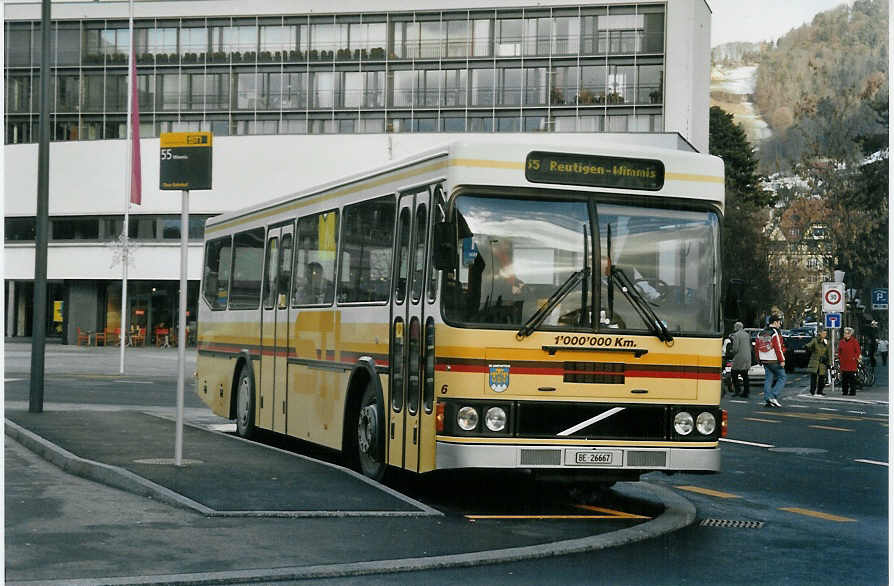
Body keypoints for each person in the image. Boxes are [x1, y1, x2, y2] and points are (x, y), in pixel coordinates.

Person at [755, 314, 786, 408]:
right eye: (779, 322)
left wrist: (758, 359)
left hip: (764, 360)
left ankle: (767, 398)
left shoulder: (761, 333)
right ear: (775, 322)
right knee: (782, 377)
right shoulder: (774, 333)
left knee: (768, 379)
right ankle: (773, 395)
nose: (780, 324)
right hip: (774, 360)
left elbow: (756, 348)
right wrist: (782, 360)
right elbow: (778, 348)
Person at [728, 321, 752, 398]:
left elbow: (735, 348)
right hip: (747, 357)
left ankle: (737, 390)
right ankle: (746, 391)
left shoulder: (736, 335)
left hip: (739, 357)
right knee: (745, 375)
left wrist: (731, 351)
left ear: (736, 327)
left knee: (734, 373)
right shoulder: (747, 335)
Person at [837, 326, 862, 396]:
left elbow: (858, 351)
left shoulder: (854, 341)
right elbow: (839, 351)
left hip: (852, 363)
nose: (845, 334)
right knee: (844, 379)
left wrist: (855, 358)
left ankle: (852, 392)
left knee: (852, 379)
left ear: (850, 334)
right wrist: (840, 358)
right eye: (844, 333)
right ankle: (844, 391)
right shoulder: (841, 342)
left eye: (846, 333)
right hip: (844, 363)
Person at [805, 327, 830, 396]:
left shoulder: (826, 342)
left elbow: (829, 353)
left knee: (822, 377)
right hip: (815, 361)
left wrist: (829, 363)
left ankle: (820, 391)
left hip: (822, 362)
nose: (824, 334)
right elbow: (809, 345)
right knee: (814, 377)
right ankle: (812, 391)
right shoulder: (815, 340)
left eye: (825, 333)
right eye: (823, 333)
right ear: (820, 333)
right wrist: (806, 347)